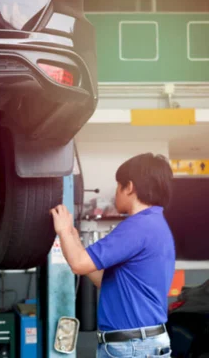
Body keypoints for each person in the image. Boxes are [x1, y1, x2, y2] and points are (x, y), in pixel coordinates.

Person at [51, 153, 175, 358]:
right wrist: (72, 237)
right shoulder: (155, 224)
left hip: (133, 347)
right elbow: (103, 279)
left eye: (118, 185)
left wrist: (63, 230)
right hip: (139, 343)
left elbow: (79, 265)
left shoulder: (137, 227)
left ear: (130, 187)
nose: (115, 193)